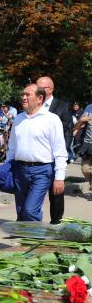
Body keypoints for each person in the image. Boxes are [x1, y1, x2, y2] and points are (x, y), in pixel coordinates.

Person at [6, 84, 67, 221]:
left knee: (30, 210)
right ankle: (25, 239)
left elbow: (60, 151)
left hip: (42, 171)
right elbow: (12, 147)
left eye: (27, 95)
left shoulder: (51, 119)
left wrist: (59, 177)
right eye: (23, 94)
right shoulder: (19, 119)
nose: (23, 97)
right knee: (22, 211)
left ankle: (37, 240)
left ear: (40, 98)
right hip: (20, 170)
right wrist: (7, 167)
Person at [36, 76, 72, 224]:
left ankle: (56, 221)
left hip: (54, 157)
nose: (37, 90)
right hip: (36, 157)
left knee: (56, 192)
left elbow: (68, 132)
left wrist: (63, 155)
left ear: (50, 89)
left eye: (41, 88)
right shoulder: (33, 105)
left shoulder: (62, 106)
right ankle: (28, 223)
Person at [73, 104, 92, 191]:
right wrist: (80, 120)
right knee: (85, 169)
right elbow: (80, 124)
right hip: (87, 144)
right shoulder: (89, 107)